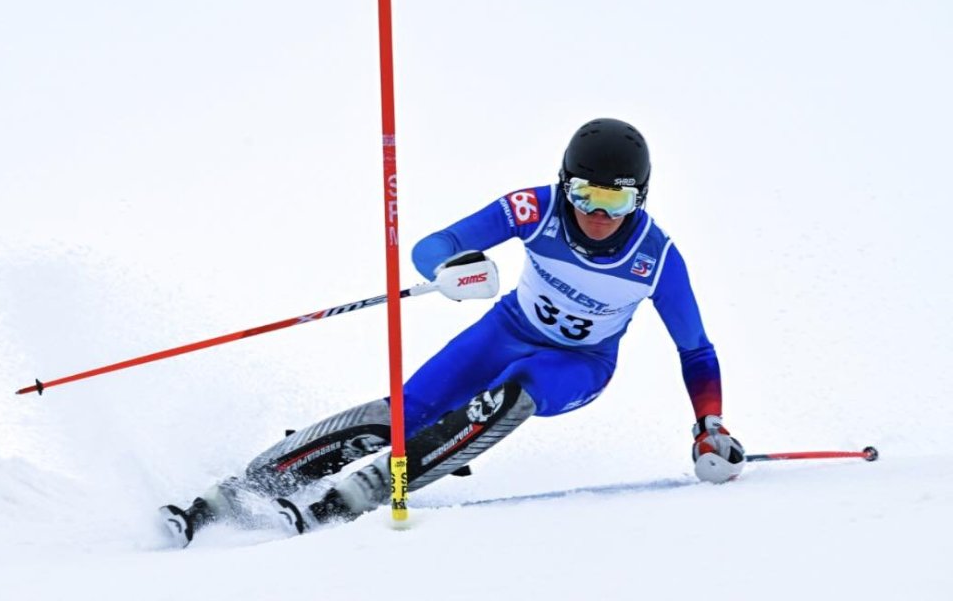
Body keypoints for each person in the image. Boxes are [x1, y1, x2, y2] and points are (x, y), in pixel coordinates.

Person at [160, 117, 745, 547]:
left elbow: (696, 350)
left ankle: (363, 490)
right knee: (406, 409)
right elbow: (433, 247)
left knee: (514, 394)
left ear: (640, 197)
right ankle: (246, 485)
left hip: (578, 364)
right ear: (563, 185)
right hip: (506, 327)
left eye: (617, 198)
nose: (598, 213)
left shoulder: (658, 257)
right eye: (584, 194)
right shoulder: (531, 209)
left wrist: (709, 425)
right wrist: (449, 269)